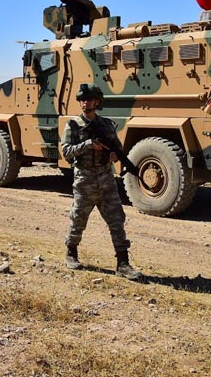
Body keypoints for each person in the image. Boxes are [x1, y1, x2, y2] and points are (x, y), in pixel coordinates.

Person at [61, 84, 141, 280]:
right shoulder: (72, 125)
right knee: (78, 218)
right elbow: (66, 152)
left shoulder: (106, 125)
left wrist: (113, 156)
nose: (85, 102)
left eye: (89, 99)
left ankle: (123, 264)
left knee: (117, 221)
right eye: (82, 99)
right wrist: (87, 145)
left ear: (97, 102)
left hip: (106, 180)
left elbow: (117, 149)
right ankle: (71, 253)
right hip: (84, 179)